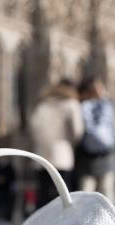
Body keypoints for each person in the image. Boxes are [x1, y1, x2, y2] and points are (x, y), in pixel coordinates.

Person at [30, 79, 84, 207]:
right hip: (62, 154)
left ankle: (43, 224)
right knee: (63, 195)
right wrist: (71, 143)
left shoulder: (42, 105)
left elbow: (33, 127)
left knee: (43, 195)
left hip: (41, 155)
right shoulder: (71, 104)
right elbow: (77, 131)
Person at [77, 77, 115, 204]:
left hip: (87, 156)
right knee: (107, 194)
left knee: (85, 194)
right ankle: (108, 222)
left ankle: (85, 223)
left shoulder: (81, 106)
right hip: (107, 155)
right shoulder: (109, 106)